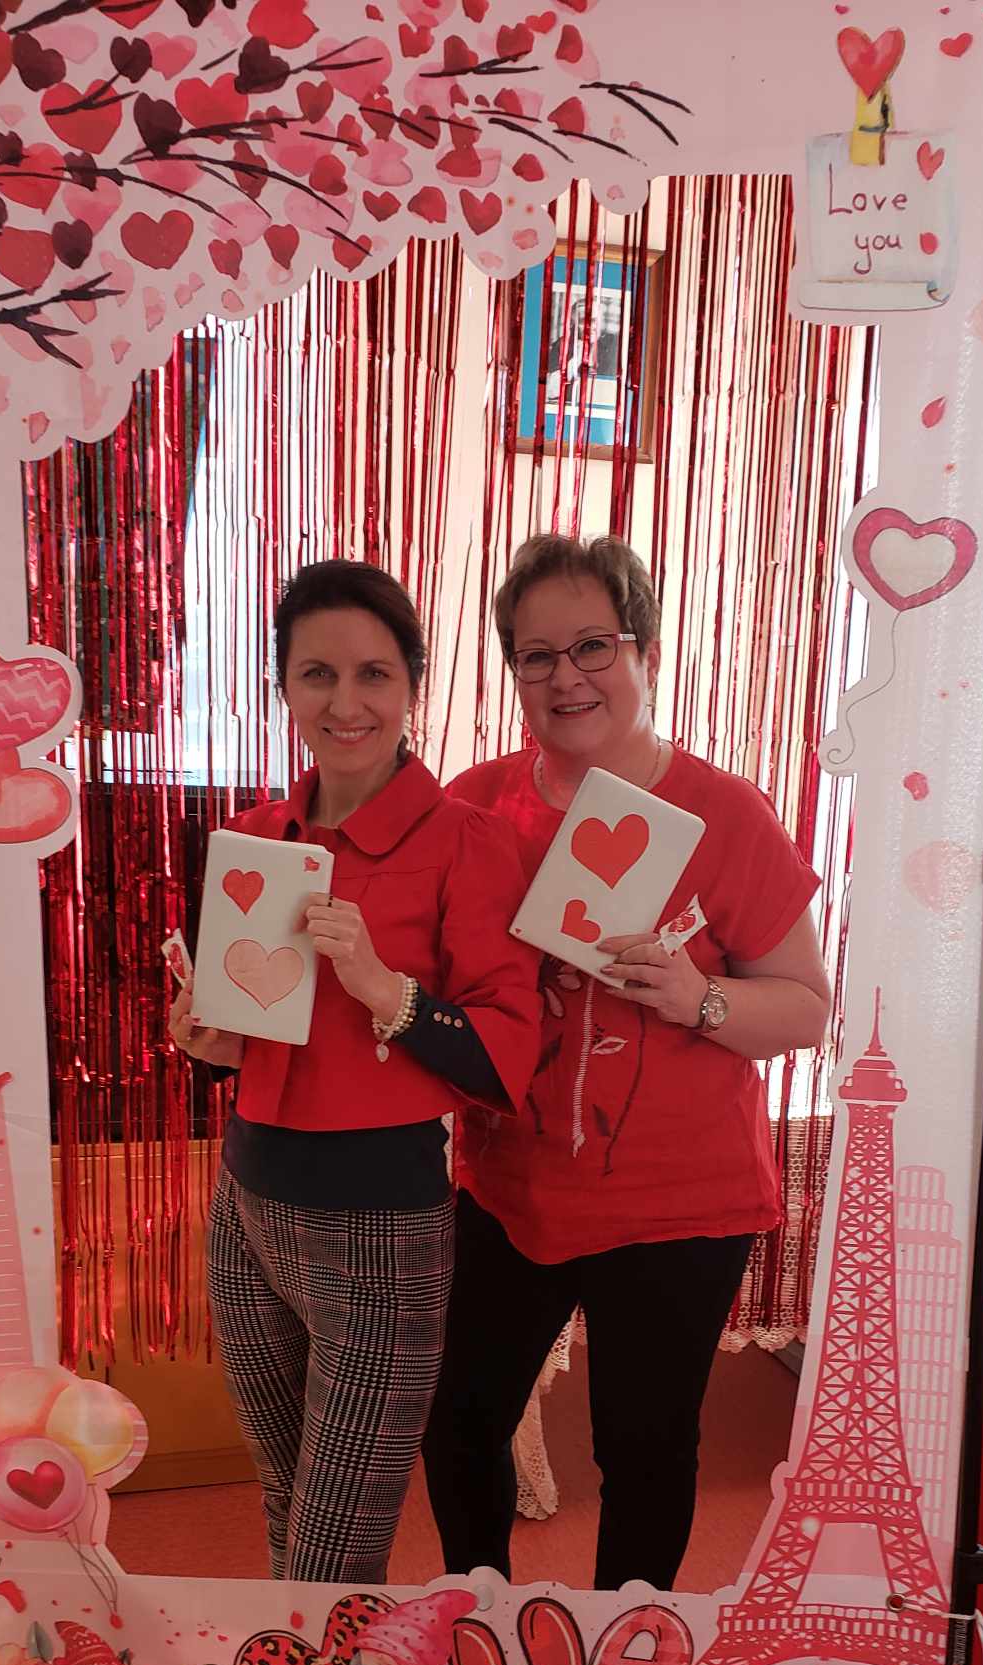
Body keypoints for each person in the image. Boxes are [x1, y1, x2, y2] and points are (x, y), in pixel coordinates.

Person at [422, 534, 831, 1594]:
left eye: (593, 646)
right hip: (510, 1186)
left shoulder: (724, 814)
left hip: (681, 1206)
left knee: (644, 1450)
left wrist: (696, 996)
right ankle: (481, 1618)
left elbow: (805, 1006)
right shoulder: (474, 804)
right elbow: (433, 984)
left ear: (643, 651)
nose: (567, 677)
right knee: (458, 1421)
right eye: (536, 655)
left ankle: (623, 1653)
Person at [169, 560, 540, 1591]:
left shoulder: (469, 844)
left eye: (374, 673)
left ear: (413, 684)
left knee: (333, 1553)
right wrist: (203, 1041)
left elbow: (509, 1054)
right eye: (317, 674)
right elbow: (239, 1041)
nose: (346, 702)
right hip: (246, 1209)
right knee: (285, 1503)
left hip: (381, 1231)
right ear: (284, 686)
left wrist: (386, 988)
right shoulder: (254, 839)